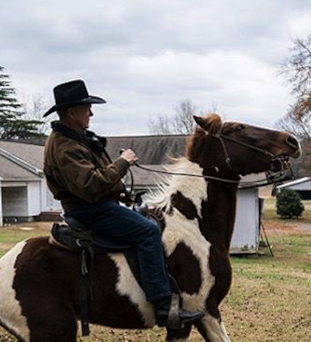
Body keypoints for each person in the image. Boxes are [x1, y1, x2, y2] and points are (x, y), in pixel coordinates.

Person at [42, 79, 203, 328]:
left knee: (152, 220)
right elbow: (91, 185)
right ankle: (162, 306)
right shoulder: (64, 146)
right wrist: (123, 162)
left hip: (99, 205)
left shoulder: (77, 139)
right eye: (87, 109)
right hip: (90, 210)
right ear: (72, 112)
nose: (91, 113)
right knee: (148, 231)